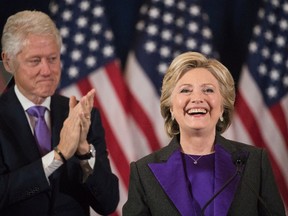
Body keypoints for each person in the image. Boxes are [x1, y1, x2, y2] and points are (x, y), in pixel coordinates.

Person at [122, 51, 285, 216]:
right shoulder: (144, 172)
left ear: (222, 106)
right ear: (171, 107)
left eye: (208, 90)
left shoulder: (254, 163)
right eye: (185, 90)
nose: (197, 98)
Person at [0, 10, 119, 216]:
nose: (47, 70)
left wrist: (84, 152)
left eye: (52, 58)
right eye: (35, 61)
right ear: (8, 62)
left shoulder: (81, 115)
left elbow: (108, 203)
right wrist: (59, 155)